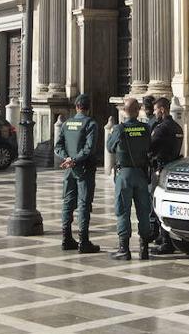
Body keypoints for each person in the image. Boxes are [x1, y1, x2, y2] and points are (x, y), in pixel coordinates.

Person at [106, 97, 155, 260]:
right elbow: (149, 147)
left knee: (123, 211)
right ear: (138, 110)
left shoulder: (119, 129)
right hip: (141, 174)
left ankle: (124, 248)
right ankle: (144, 248)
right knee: (144, 211)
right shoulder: (145, 128)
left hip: (125, 175)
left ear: (124, 111)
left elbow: (109, 148)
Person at [54, 94, 101, 254]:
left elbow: (58, 146)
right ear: (88, 108)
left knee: (68, 202)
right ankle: (83, 241)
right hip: (84, 169)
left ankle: (66, 238)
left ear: (76, 107)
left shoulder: (67, 123)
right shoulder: (91, 124)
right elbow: (89, 149)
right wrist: (74, 160)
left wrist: (67, 159)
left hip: (69, 169)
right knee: (84, 204)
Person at [147, 96, 184, 254]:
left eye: (156, 110)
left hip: (160, 170)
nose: (155, 113)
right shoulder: (178, 128)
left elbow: (150, 148)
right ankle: (164, 238)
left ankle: (165, 241)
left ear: (162, 110)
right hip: (172, 169)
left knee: (158, 205)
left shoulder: (161, 128)